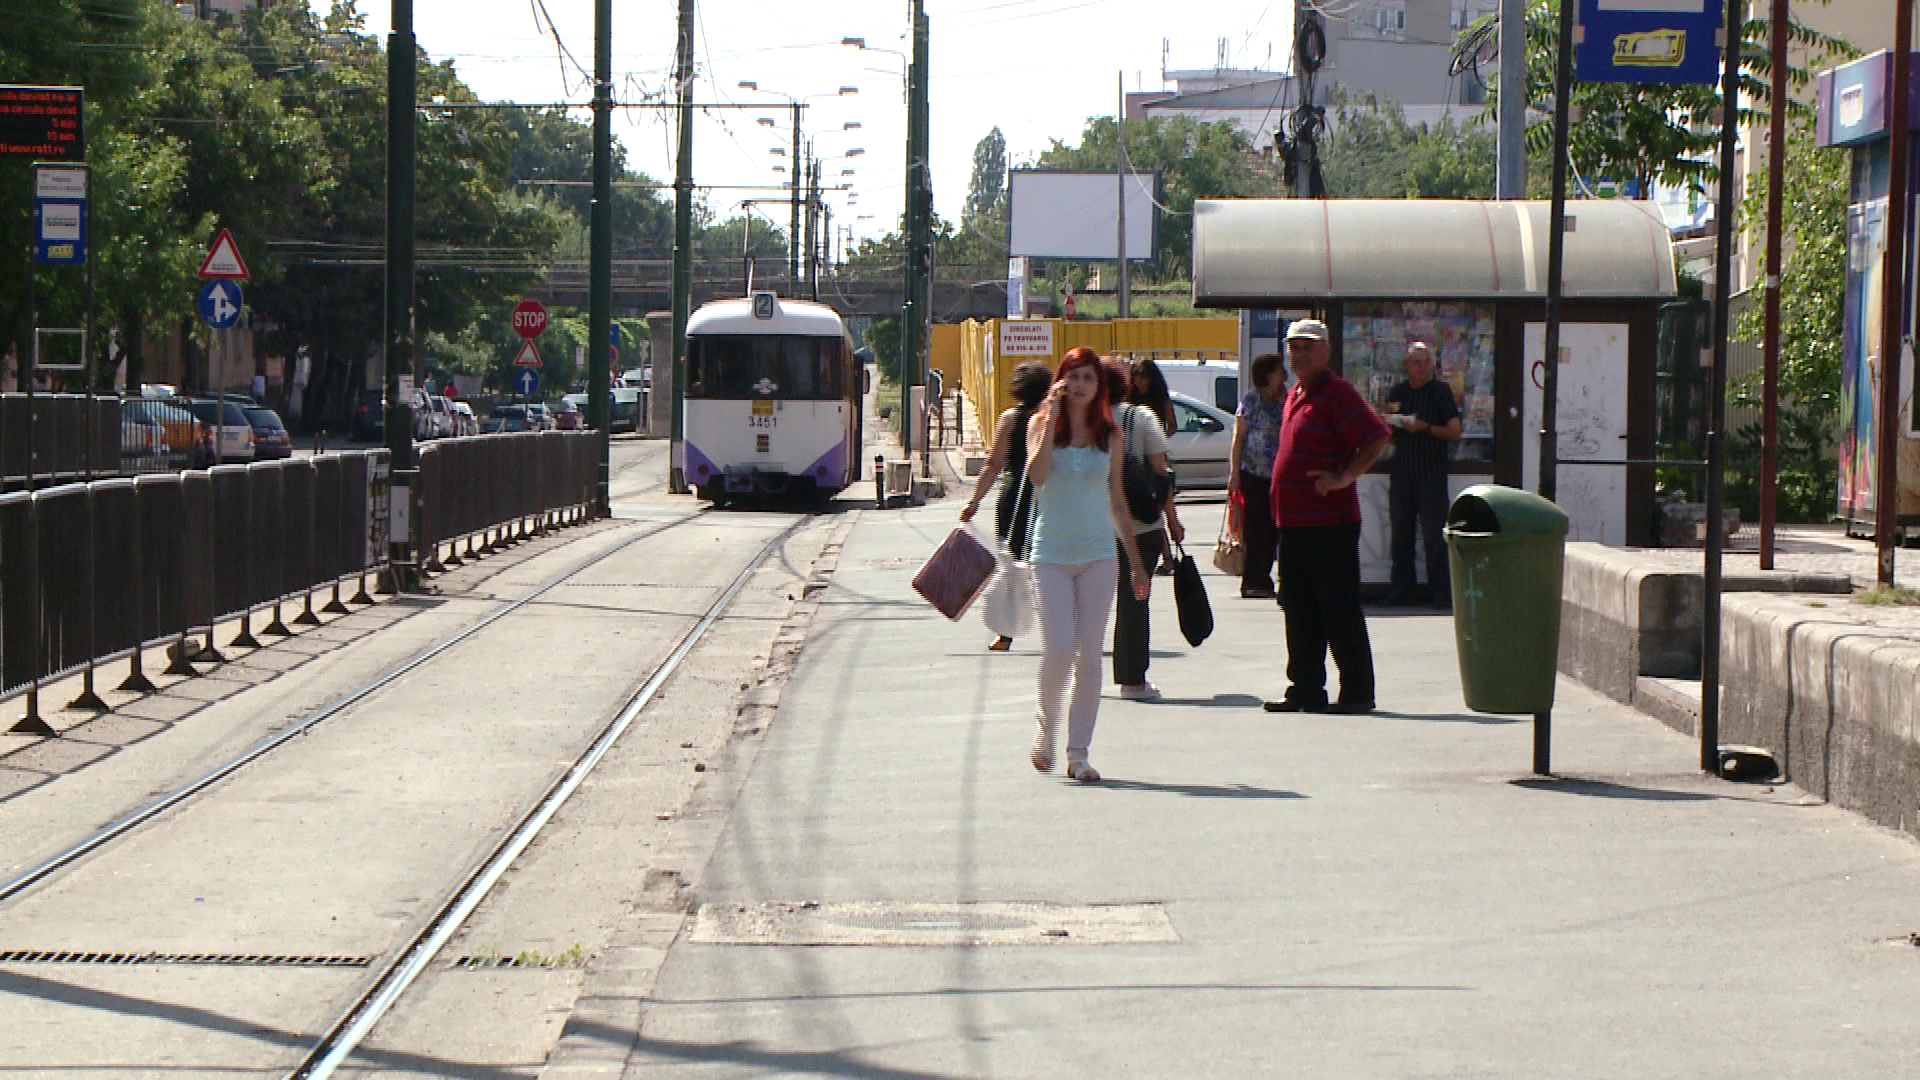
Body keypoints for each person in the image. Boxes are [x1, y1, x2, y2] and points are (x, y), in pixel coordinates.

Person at [1026, 347, 1153, 783]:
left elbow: (1117, 499)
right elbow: (1038, 476)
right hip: (1051, 557)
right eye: (1073, 377)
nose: (1080, 385)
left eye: (1089, 379)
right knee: (1060, 650)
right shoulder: (1040, 426)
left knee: (1090, 657)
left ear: (1099, 387)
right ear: (1061, 381)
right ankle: (1046, 728)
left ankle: (1078, 752)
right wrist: (1052, 412)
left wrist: (1136, 563)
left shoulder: (1110, 435)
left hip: (1099, 554)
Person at [1262, 319, 1391, 715]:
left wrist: (1343, 477)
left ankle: (1356, 692)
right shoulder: (1295, 394)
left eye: (1308, 346)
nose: (1299, 353)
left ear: (1326, 351)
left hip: (1329, 522)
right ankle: (1305, 688)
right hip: (1294, 523)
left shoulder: (1337, 393)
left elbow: (1377, 437)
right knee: (1298, 607)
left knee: (1339, 608)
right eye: (1294, 346)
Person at [960, 360, 1052, 650]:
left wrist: (974, 501)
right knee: (1047, 564)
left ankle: (1005, 634)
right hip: (1046, 496)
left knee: (1011, 565)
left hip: (1014, 498)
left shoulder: (1010, 419)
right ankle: (1059, 628)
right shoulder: (1052, 418)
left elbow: (993, 464)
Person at [1106, 358, 1183, 700]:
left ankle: (1079, 674)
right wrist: (1172, 520)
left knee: (1084, 602)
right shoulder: (1140, 419)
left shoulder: (1077, 422)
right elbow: (1160, 475)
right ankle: (1132, 680)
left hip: (1092, 524)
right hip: (1139, 524)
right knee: (1134, 601)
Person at [1383, 341, 1462, 608]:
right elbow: (1389, 427)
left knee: (1434, 535)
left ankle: (1441, 593)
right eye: (1416, 362)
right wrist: (1385, 421)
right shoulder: (1398, 392)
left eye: (1426, 362)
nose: (1421, 367)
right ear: (1406, 366)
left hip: (1431, 473)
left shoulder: (1440, 392)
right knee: (1401, 535)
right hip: (1403, 471)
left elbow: (1454, 431)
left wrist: (1424, 427)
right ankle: (1402, 590)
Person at [1228, 352, 1287, 598]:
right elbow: (1239, 437)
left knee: (1275, 527)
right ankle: (1253, 580)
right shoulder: (1252, 400)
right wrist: (1234, 473)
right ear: (1267, 374)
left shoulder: (1286, 398)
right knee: (1255, 527)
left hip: (1279, 474)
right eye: (1279, 369)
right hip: (1253, 472)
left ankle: (1266, 576)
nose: (1284, 374)